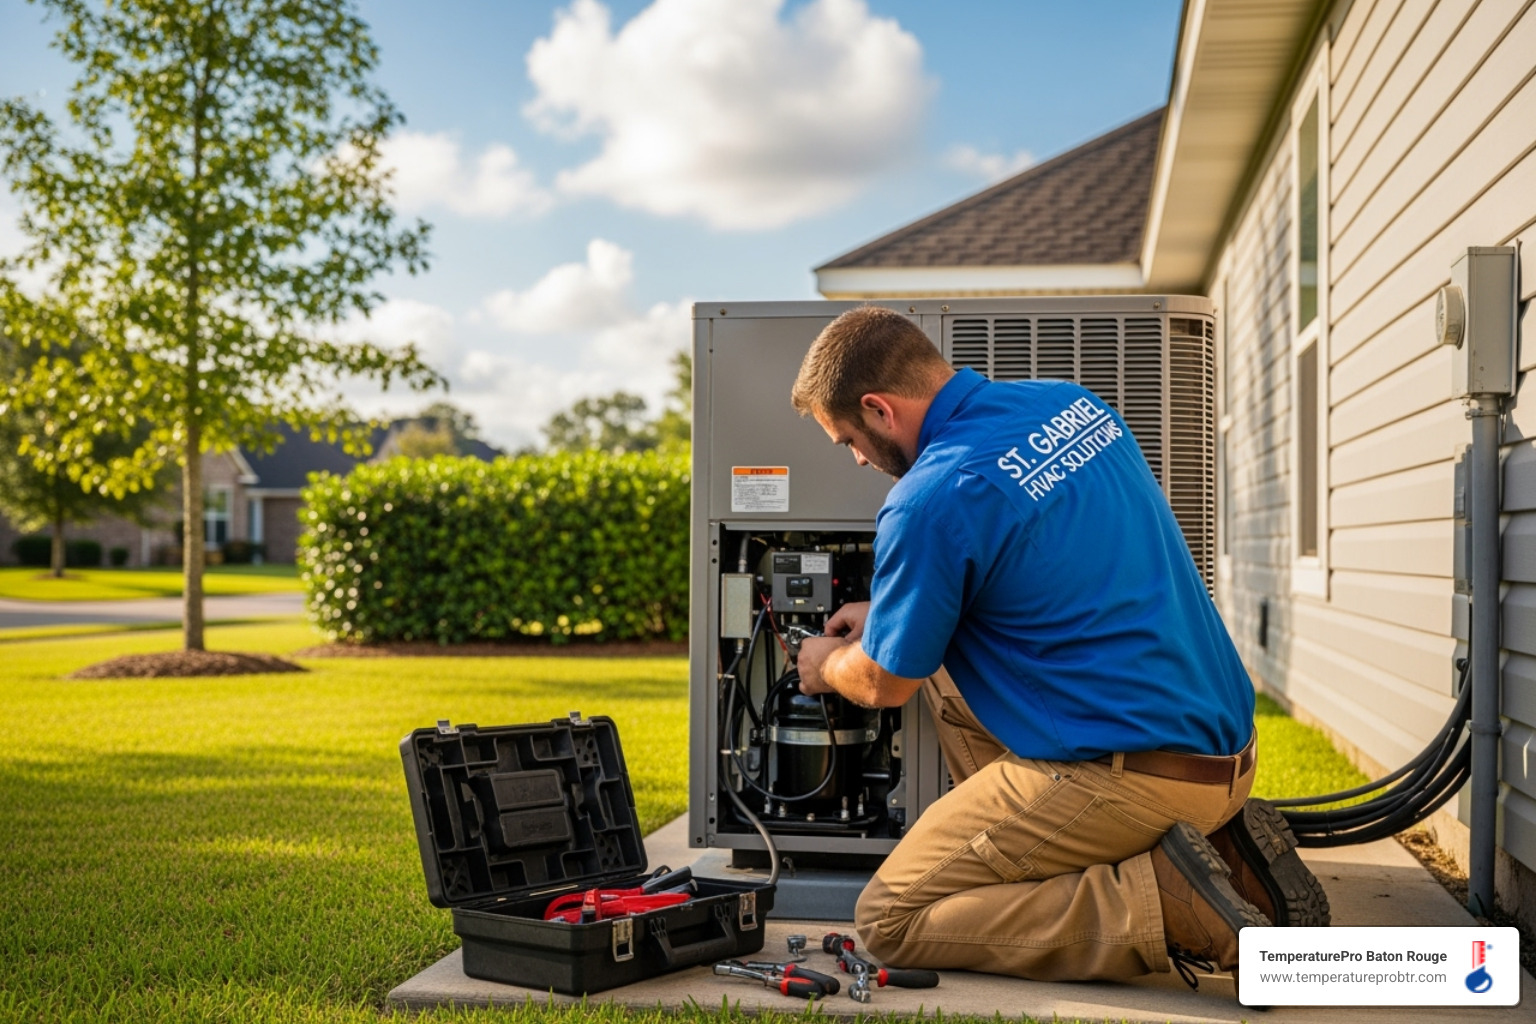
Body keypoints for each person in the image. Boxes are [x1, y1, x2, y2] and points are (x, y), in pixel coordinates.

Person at [790, 305, 1327, 991]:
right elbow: (1039, 565)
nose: (859, 458)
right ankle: (1221, 851)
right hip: (1226, 755)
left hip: (1136, 780)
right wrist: (890, 610)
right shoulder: (1072, 406)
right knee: (943, 672)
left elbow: (887, 681)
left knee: (892, 916)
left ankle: (1165, 903)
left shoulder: (929, 498)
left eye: (848, 441)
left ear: (877, 408)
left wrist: (825, 666)